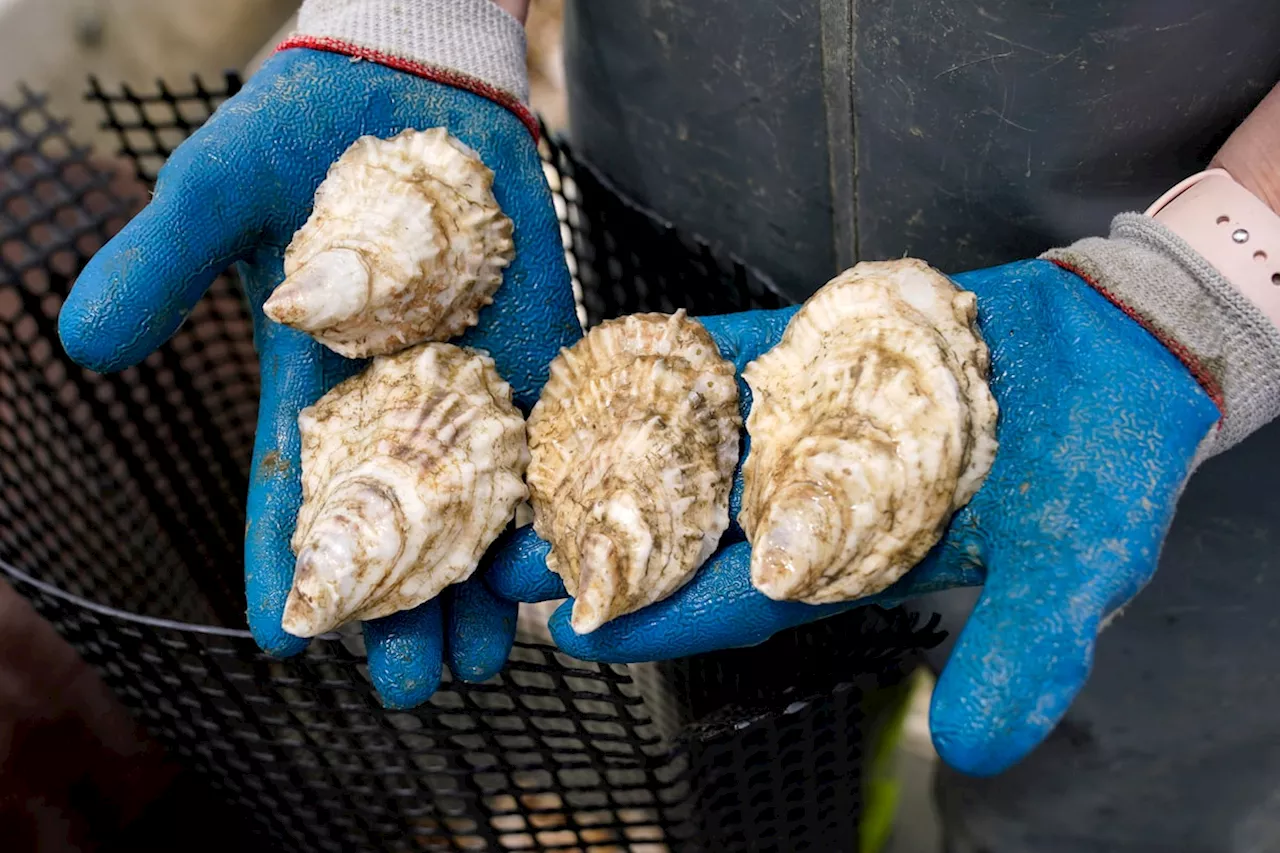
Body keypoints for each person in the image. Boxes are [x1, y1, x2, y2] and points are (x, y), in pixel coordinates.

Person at [55, 1, 1280, 851]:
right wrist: (418, 14)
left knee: (1126, 789)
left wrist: (1220, 280)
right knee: (743, 736)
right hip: (684, 184)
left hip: (1192, 368)